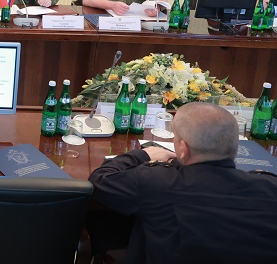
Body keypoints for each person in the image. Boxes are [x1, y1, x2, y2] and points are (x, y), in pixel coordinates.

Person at [89, 102, 277, 263]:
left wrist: (143, 154)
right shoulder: (270, 187)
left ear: (183, 149)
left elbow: (100, 180)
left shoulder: (157, 182)